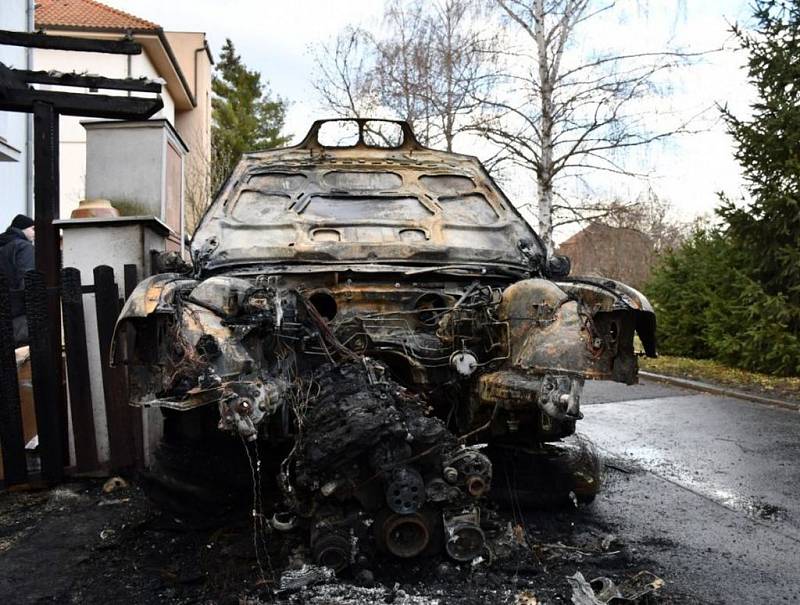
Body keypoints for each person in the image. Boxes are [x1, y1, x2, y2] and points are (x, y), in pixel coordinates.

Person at [0, 214, 35, 346]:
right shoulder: (24, 247)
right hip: (18, 312)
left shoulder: (3, 243)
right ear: (22, 229)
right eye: (33, 229)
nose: (35, 234)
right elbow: (28, 280)